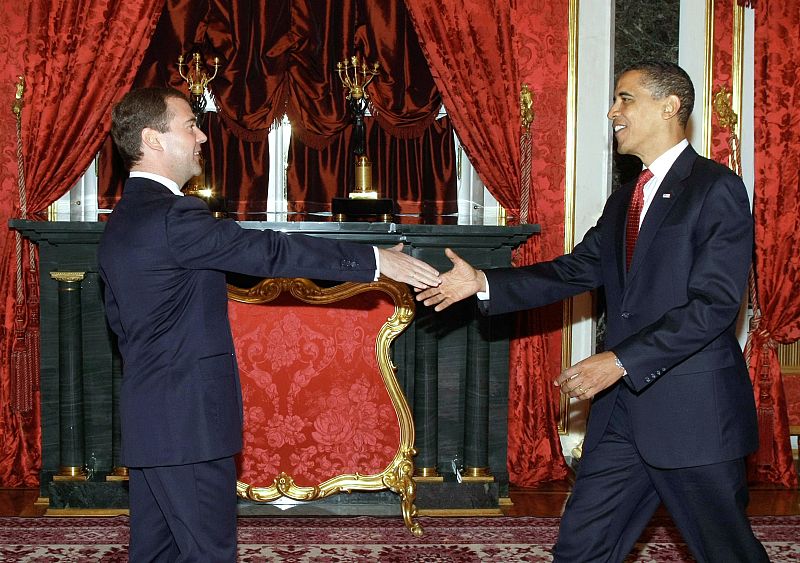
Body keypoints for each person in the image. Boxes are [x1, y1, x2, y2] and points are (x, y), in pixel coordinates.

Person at [417, 61, 767, 562]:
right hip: (623, 414)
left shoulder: (715, 189)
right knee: (582, 547)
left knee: (726, 552)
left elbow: (712, 307)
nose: (612, 112)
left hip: (692, 415)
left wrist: (619, 360)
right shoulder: (626, 199)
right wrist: (484, 282)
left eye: (625, 99)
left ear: (670, 107)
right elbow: (574, 271)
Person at [98, 87, 440, 562]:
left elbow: (120, 323)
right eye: (189, 125)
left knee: (156, 553)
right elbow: (271, 251)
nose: (201, 135)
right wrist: (374, 259)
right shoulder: (176, 216)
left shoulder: (123, 218)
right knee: (208, 553)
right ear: (153, 139)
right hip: (190, 425)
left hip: (151, 421)